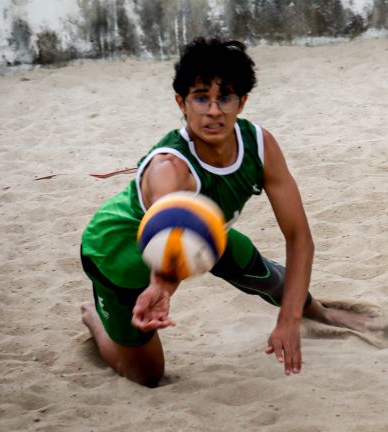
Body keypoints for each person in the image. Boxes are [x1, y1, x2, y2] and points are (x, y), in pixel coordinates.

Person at [80, 37, 371, 387]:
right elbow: (170, 238)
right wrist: (161, 284)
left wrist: (290, 319)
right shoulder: (169, 168)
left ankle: (323, 313)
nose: (214, 110)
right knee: (147, 377)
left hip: (205, 235)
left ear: (242, 102)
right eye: (201, 97)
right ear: (181, 103)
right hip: (119, 255)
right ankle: (98, 321)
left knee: (271, 280)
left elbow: (299, 238)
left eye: (225, 97)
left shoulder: (260, 145)